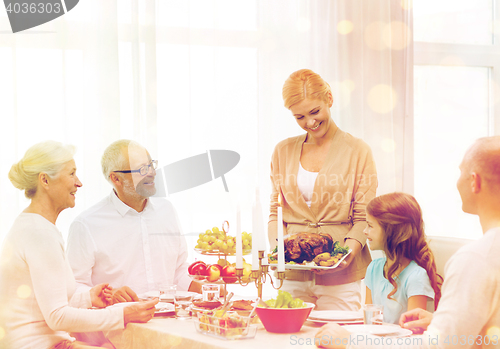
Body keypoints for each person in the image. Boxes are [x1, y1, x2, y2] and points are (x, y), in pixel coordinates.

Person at [315, 136, 500, 348]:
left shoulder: (476, 259)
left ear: (474, 181)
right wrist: (438, 322)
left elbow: (436, 346)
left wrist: (351, 341)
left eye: (460, 172)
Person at [0, 141, 157, 349]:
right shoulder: (39, 233)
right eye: (72, 174)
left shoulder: (33, 225)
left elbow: (42, 303)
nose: (79, 183)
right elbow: (57, 316)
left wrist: (88, 298)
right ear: (45, 180)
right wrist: (122, 313)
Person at [268, 69, 377, 311]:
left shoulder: (358, 151)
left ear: (329, 98)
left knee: (335, 342)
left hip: (340, 275)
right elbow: (276, 214)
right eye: (299, 117)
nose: (309, 122)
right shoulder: (282, 151)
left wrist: (343, 256)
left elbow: (362, 218)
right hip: (293, 274)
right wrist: (279, 254)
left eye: (315, 112)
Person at [66, 139, 200, 304]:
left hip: (169, 321)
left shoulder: (167, 210)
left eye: (151, 165)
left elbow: (178, 270)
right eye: (143, 169)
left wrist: (209, 287)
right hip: (119, 325)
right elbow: (73, 287)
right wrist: (109, 295)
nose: (152, 173)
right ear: (116, 179)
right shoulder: (86, 224)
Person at [363, 192, 441, 324]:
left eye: (370, 226)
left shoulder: (416, 277)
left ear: (391, 230)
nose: (365, 231)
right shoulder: (373, 268)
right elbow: (368, 323)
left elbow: (412, 331)